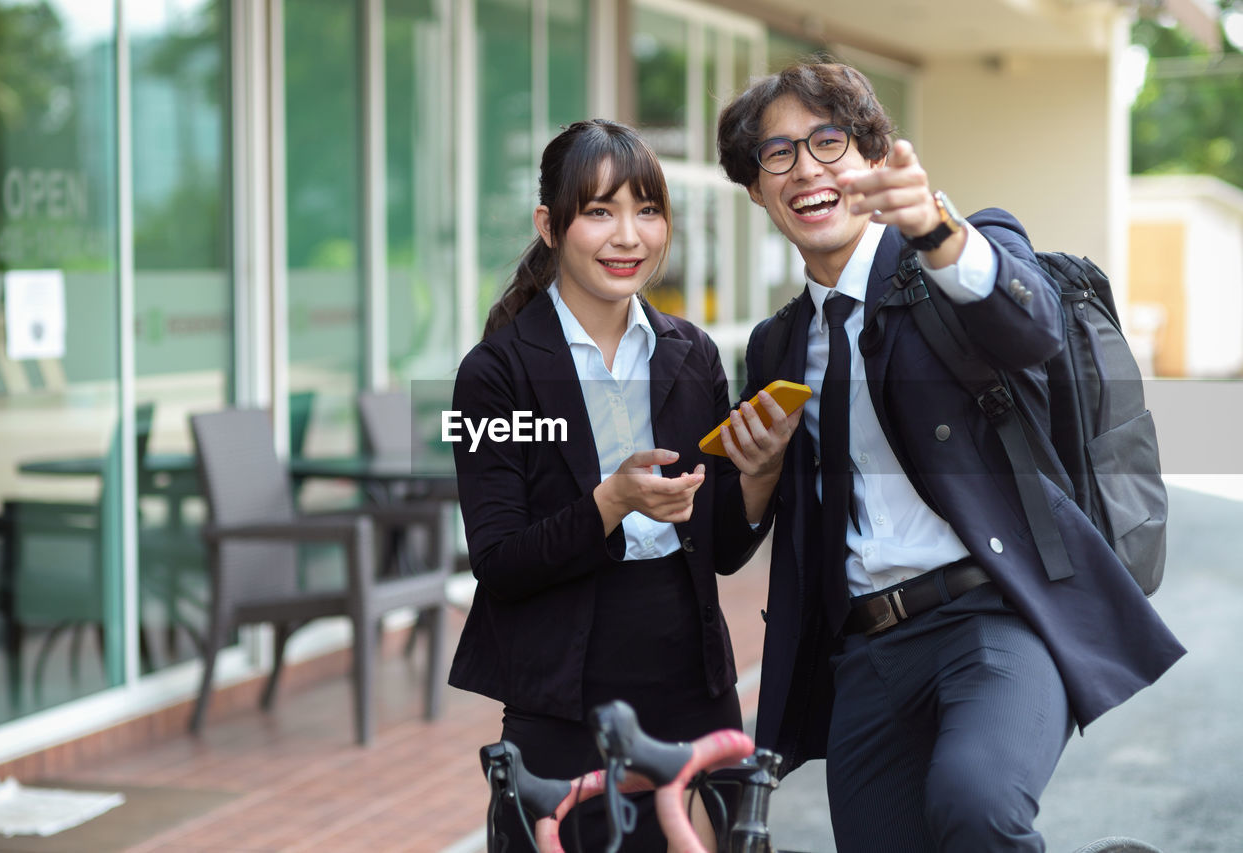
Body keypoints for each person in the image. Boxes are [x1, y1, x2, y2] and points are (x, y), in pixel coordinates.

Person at [712, 59, 1186, 852]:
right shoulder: (777, 346)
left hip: (995, 616)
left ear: (874, 157)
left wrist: (935, 230)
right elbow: (729, 543)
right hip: (865, 651)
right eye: (779, 154)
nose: (806, 170)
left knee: (975, 806)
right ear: (757, 191)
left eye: (828, 142)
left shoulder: (957, 251)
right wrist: (756, 475)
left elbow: (1026, 327)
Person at [447, 118, 786, 850]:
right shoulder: (494, 374)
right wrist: (613, 500)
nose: (628, 235)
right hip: (565, 690)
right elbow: (499, 561)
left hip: (691, 676)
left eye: (648, 210)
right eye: (600, 211)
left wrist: (758, 476)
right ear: (550, 224)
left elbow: (721, 546)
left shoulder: (691, 354)